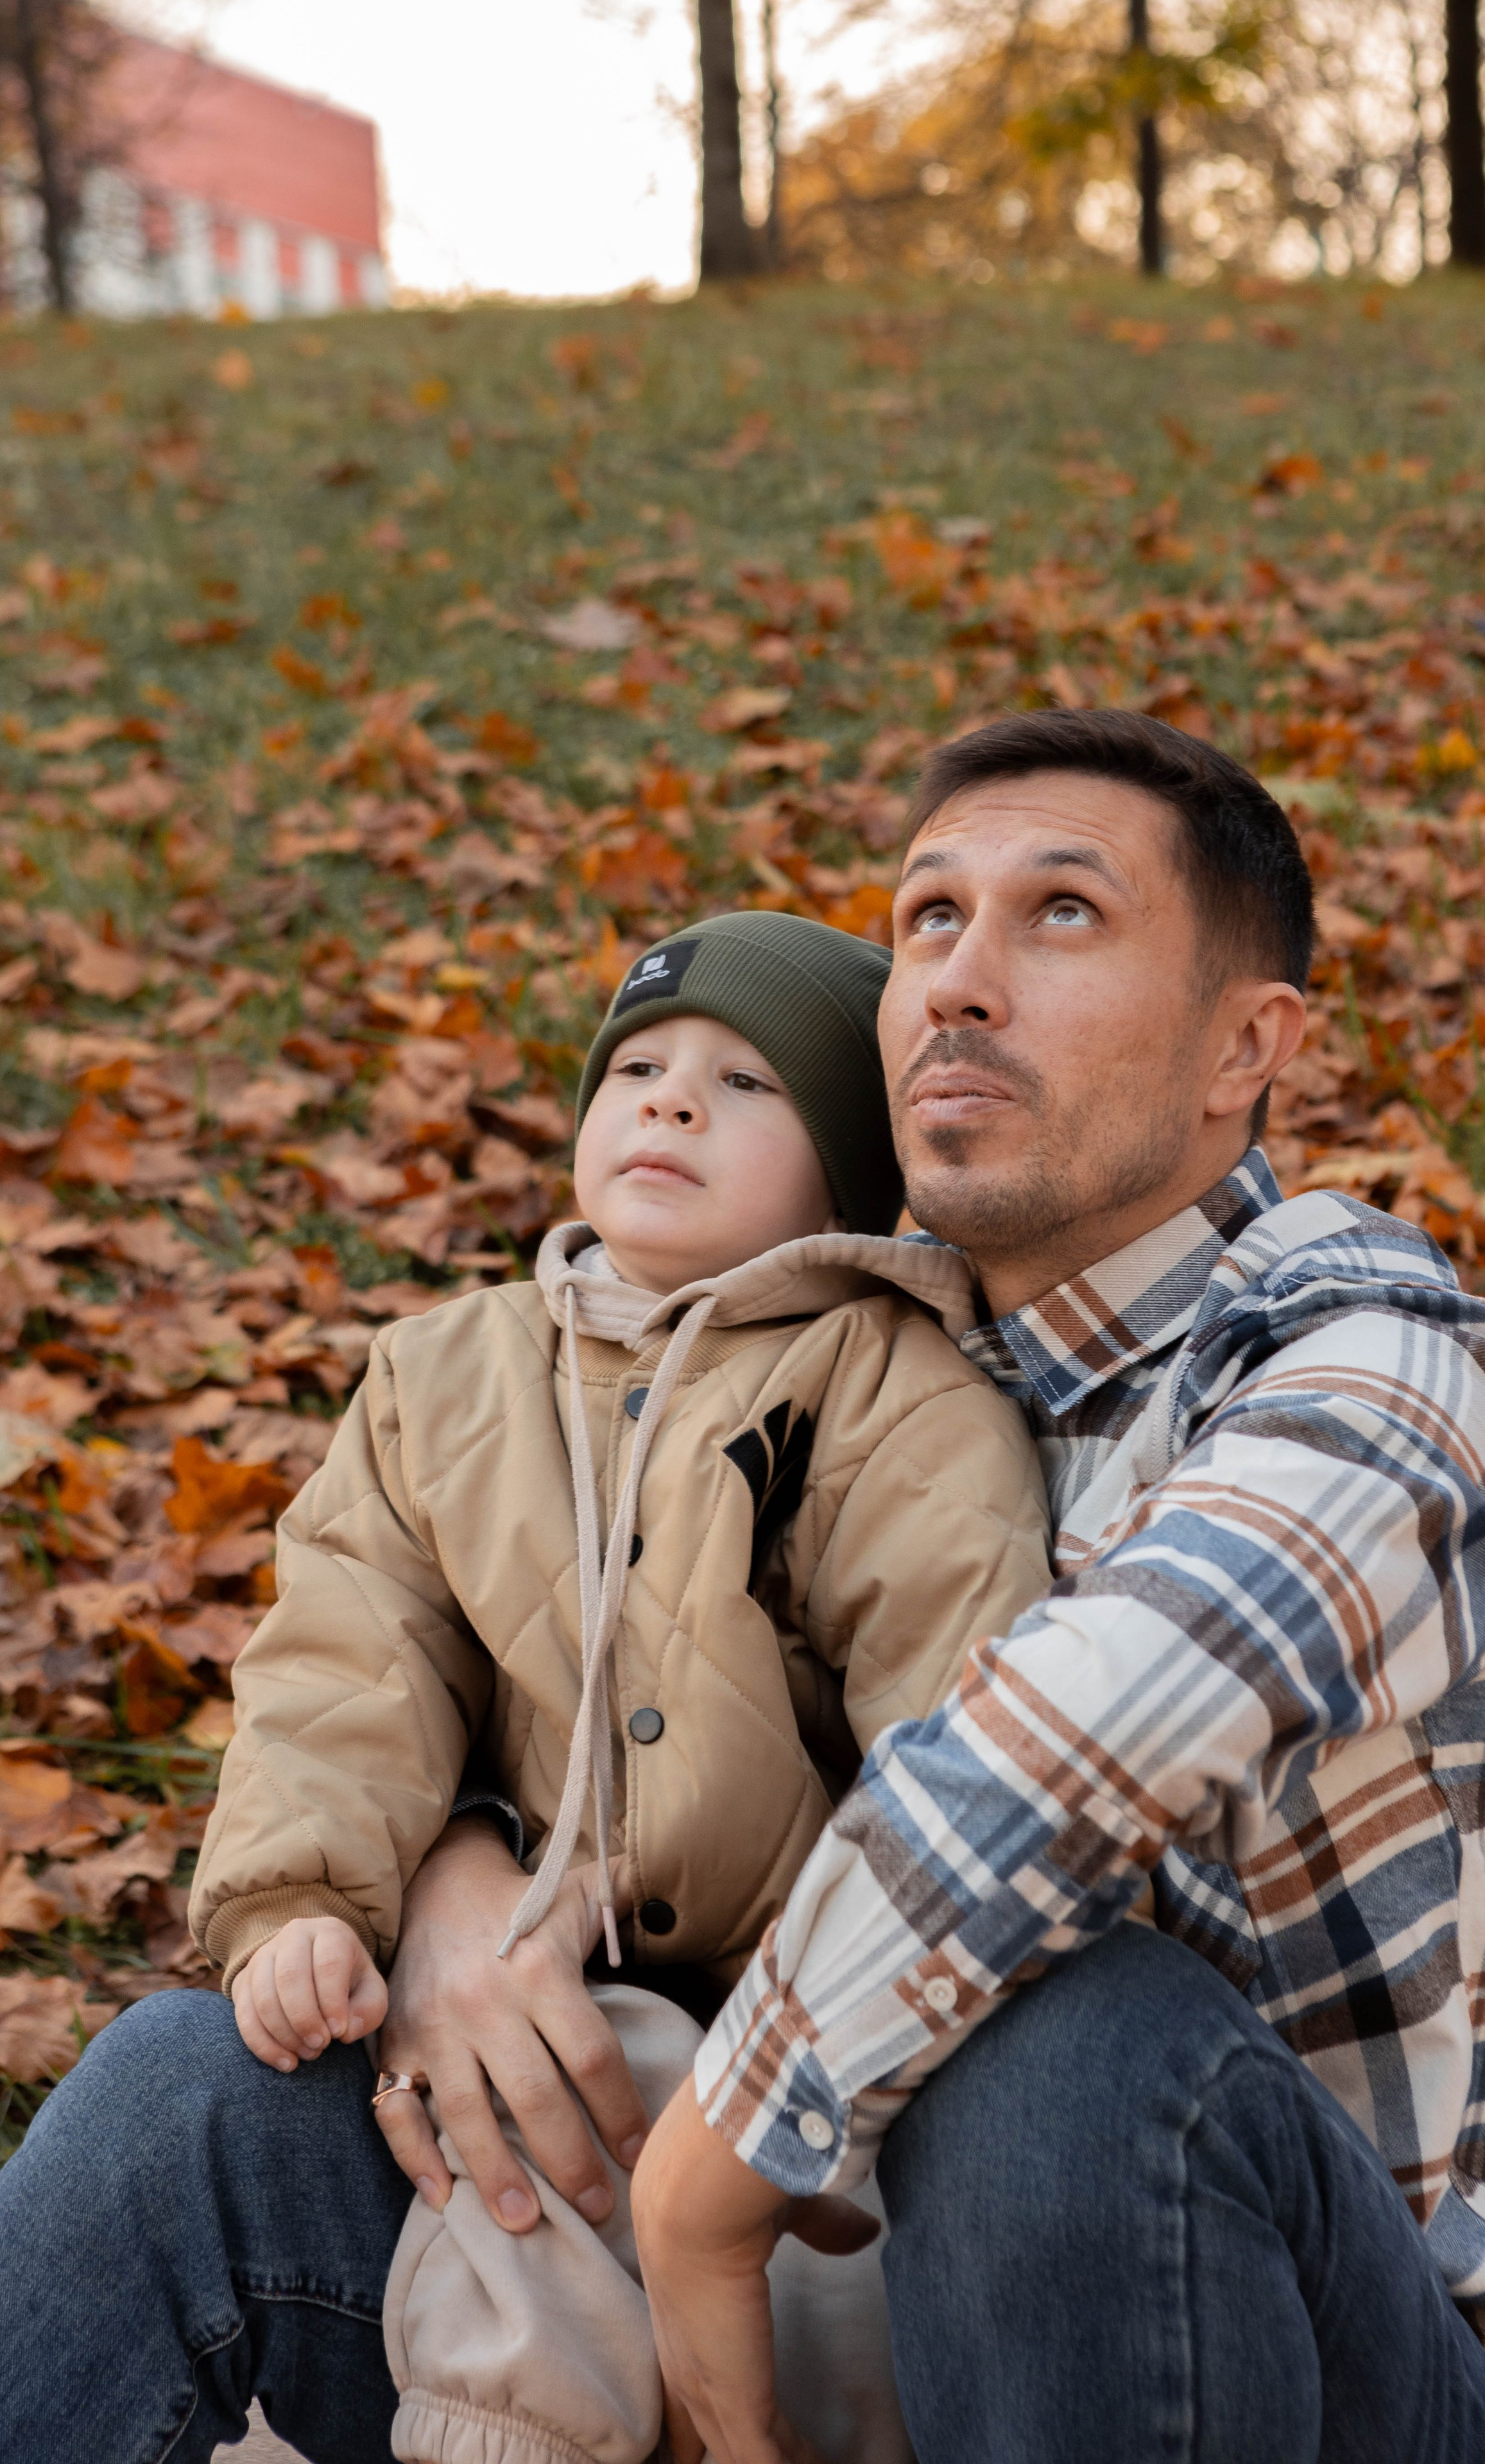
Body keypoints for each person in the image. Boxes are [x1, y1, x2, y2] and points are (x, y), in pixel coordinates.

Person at [626, 708, 1485, 2464]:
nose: (957, 982)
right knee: (208, 2095)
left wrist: (711, 2169)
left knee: (1069, 2042)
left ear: (1246, 1044)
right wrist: (446, 1898)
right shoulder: (825, 1374)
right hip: (891, 2341)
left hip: (1384, 2384)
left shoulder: (1374, 1357)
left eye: (1062, 913)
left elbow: (1102, 1721)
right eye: (928, 919)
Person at [0, 909, 1051, 2464]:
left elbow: (950, 1749)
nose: (671, 1100)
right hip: (509, 2061)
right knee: (173, 2081)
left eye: (746, 1085)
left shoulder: (891, 1393)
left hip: (791, 2081)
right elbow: (351, 1660)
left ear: (844, 1169)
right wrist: (302, 1901)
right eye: (636, 1068)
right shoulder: (445, 1378)